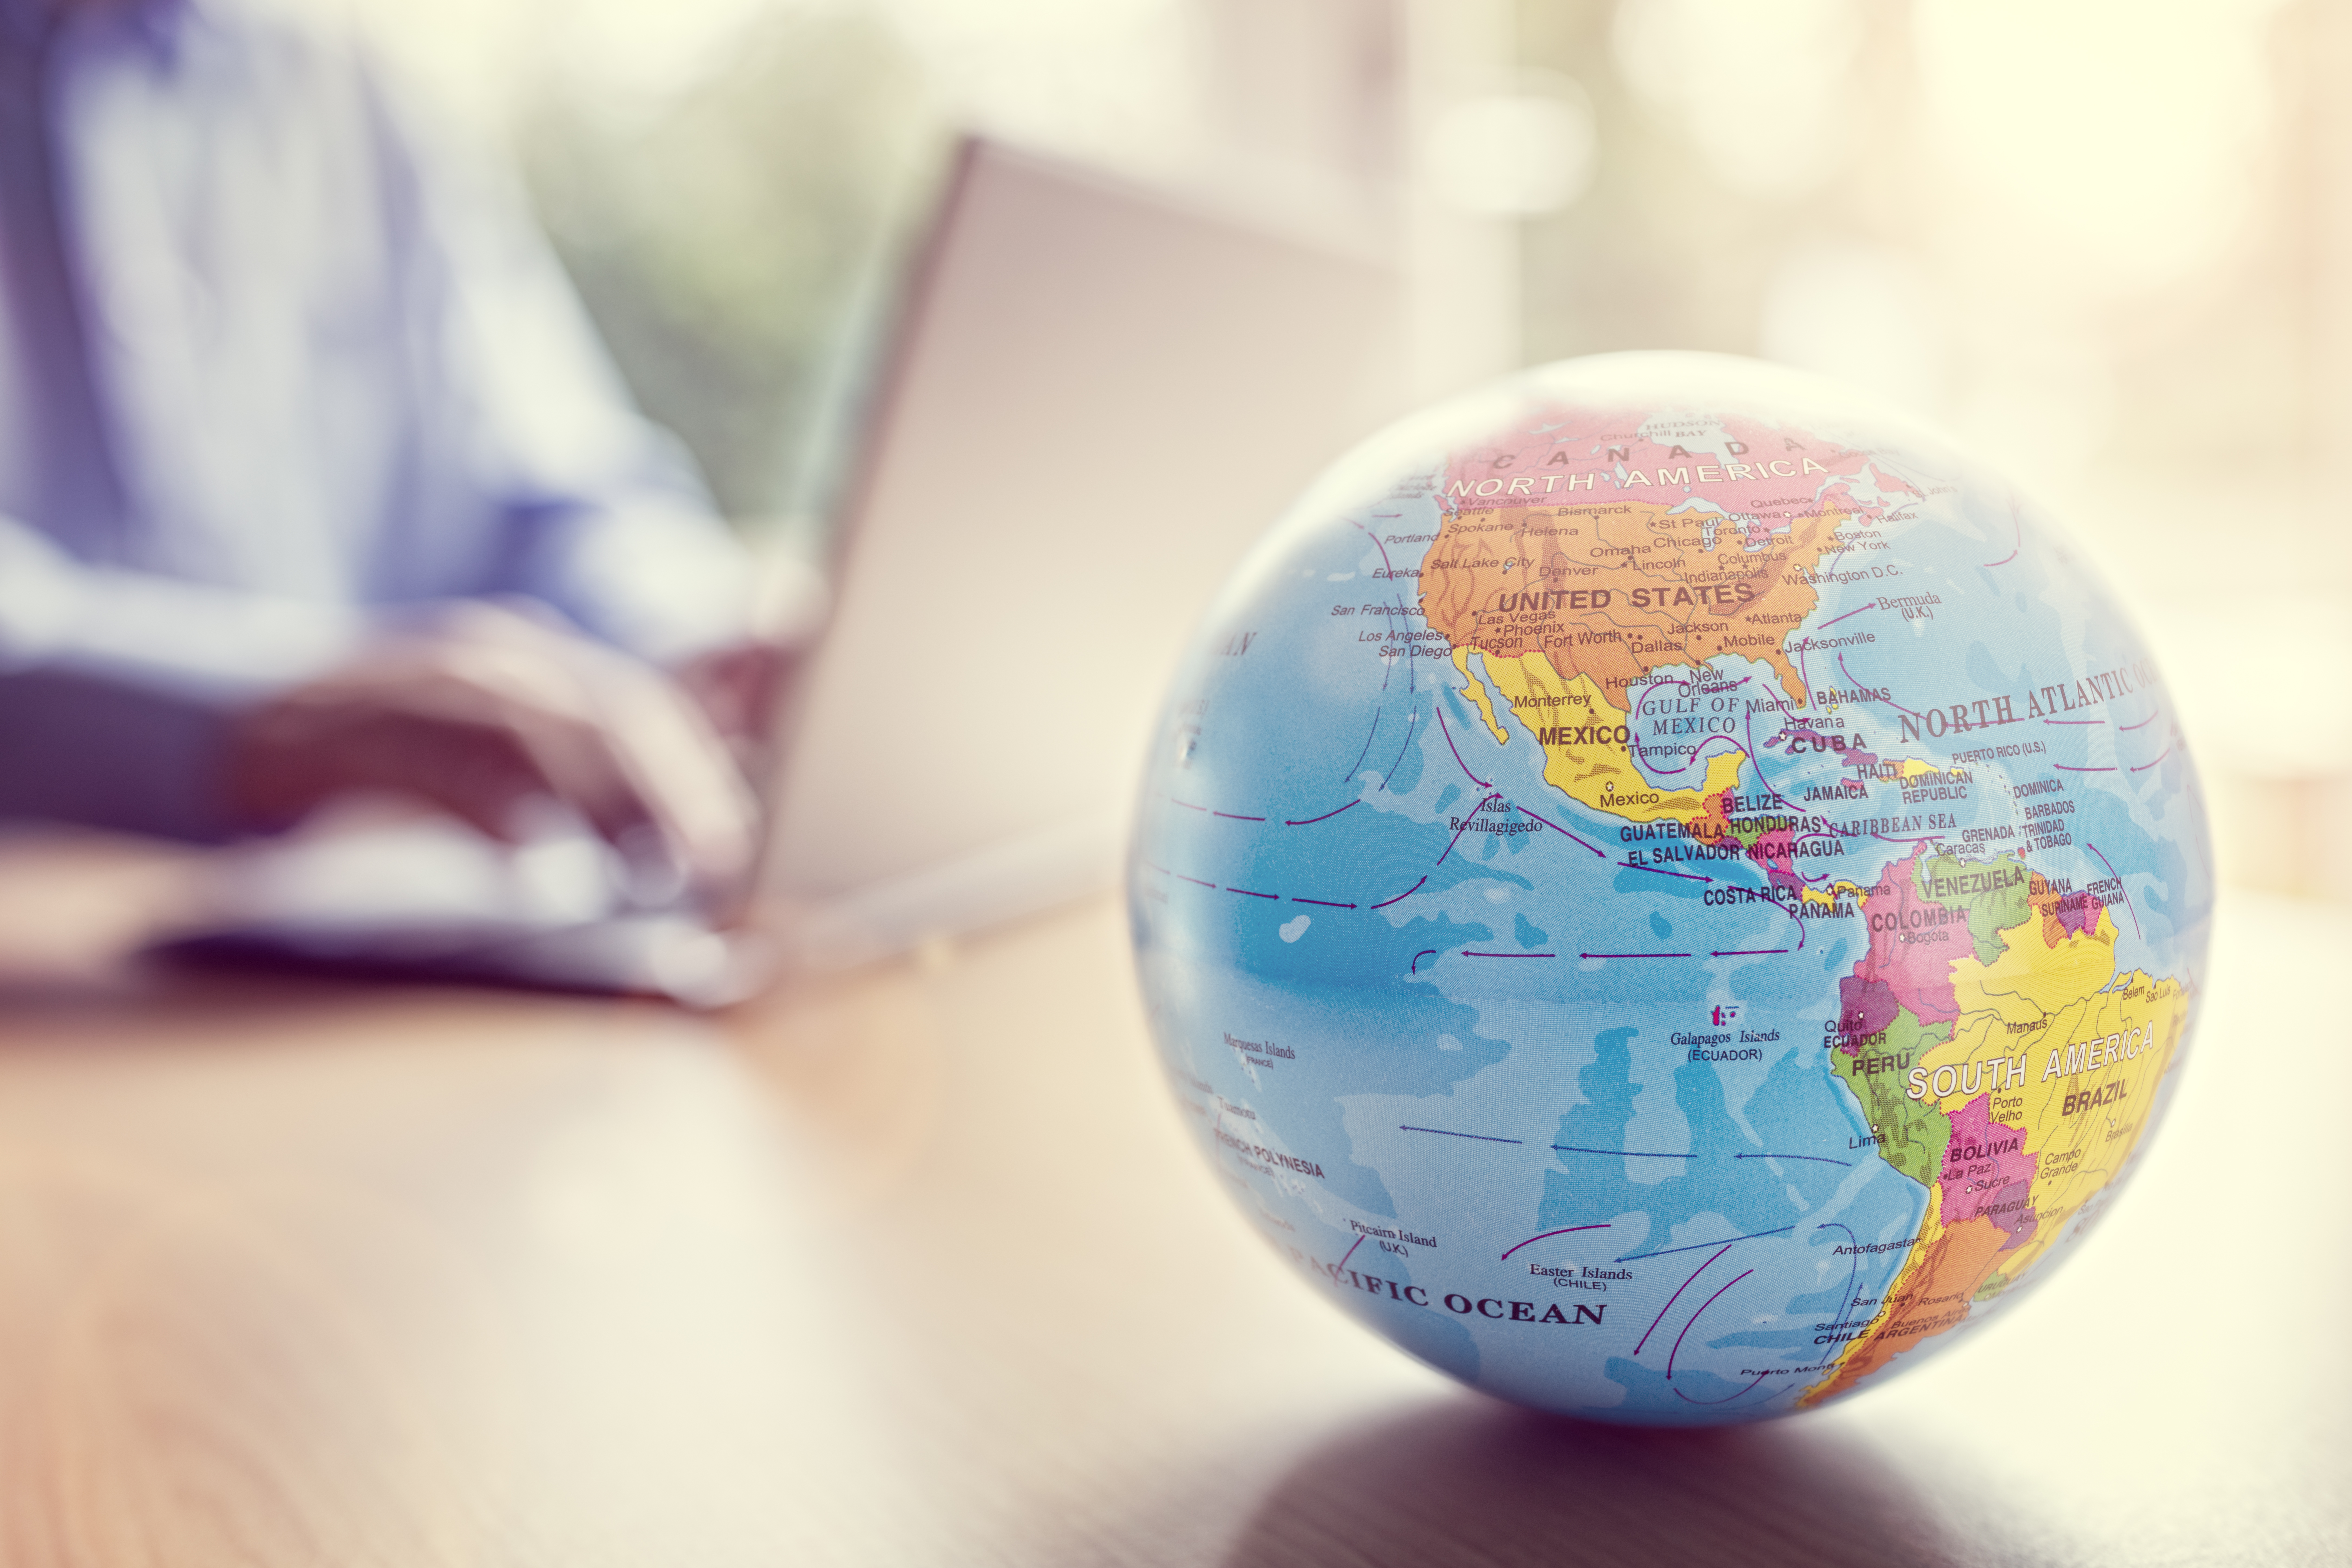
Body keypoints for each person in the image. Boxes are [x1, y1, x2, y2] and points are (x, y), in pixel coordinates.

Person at [0, 0, 780, 900]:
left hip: (347, 953)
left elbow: (551, 489)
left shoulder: (352, 100)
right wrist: (267, 710)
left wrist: (696, 640)